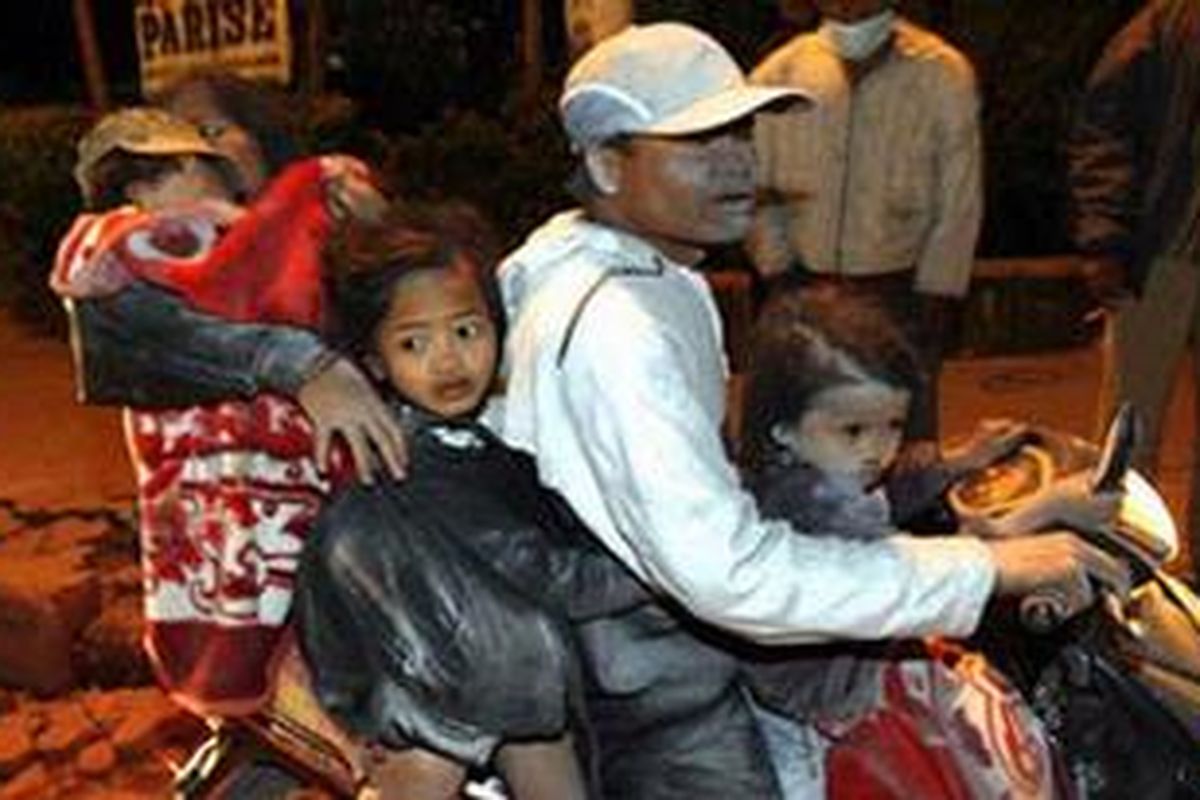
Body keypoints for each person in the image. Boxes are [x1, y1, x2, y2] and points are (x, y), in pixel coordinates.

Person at [495, 21, 1127, 799]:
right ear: (605, 163)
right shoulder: (614, 324)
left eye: (740, 134)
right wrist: (985, 568)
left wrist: (970, 511)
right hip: (646, 691)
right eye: (698, 143)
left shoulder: (641, 273)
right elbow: (728, 571)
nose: (737, 161)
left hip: (662, 649)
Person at [294, 204, 648, 799]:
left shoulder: (480, 442)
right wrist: (664, 569)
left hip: (500, 660)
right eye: (414, 343)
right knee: (434, 772)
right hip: (428, 670)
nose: (448, 360)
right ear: (375, 361)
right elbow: (545, 571)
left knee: (544, 755)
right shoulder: (412, 465)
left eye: (466, 331)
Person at [51, 105, 391, 717]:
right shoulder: (140, 249)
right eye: (195, 144)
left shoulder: (286, 242)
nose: (212, 155)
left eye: (215, 129)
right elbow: (199, 320)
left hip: (326, 525)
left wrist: (371, 226)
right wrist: (308, 367)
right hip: (240, 542)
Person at [739, 283, 1112, 798]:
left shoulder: (804, 474)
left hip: (841, 685)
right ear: (782, 429)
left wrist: (956, 464)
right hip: (815, 724)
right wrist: (1043, 511)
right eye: (853, 431)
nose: (878, 450)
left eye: (892, 426)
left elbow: (882, 501)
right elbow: (911, 570)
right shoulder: (810, 502)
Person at [748, 0, 982, 459]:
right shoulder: (779, 75)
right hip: (801, 284)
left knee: (899, 448)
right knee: (795, 436)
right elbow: (755, 183)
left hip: (899, 290)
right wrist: (777, 269)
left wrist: (938, 290)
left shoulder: (941, 74)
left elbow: (959, 196)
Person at [1067, 0, 1200, 584]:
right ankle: (1118, 562)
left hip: (1164, 255)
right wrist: (1104, 238)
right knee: (1132, 425)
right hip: (1162, 258)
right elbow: (1104, 129)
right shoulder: (1166, 23)